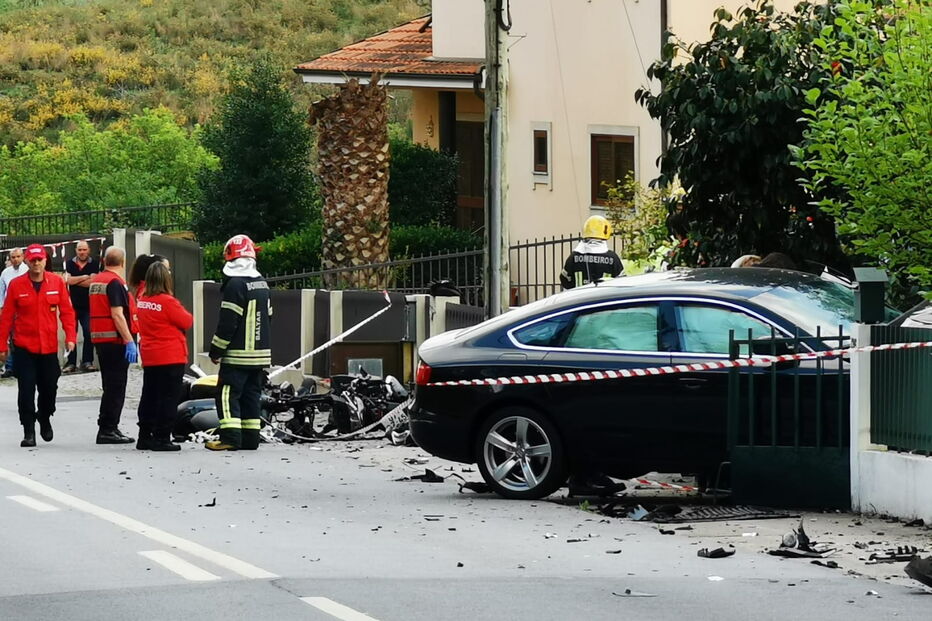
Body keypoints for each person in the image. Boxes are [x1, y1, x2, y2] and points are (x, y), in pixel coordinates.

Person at [0, 244, 76, 447]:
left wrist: (70, 336)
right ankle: (28, 431)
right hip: (24, 346)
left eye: (39, 260)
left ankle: (44, 415)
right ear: (26, 261)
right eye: (32, 260)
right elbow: (6, 317)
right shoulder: (16, 285)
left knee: (49, 388)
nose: (36, 263)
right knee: (26, 390)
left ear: (45, 260)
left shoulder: (56, 282)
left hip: (49, 347)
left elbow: (67, 312)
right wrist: (2, 345)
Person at [206, 234, 271, 451]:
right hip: (260, 355)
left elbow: (228, 323)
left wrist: (216, 350)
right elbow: (269, 316)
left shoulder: (234, 285)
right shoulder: (262, 284)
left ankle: (230, 438)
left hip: (237, 355)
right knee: (252, 395)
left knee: (227, 394)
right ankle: (251, 439)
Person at [136, 260, 192, 451]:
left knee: (149, 395)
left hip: (151, 355)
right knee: (168, 397)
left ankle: (144, 435)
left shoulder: (143, 300)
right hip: (170, 355)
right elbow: (187, 321)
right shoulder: (167, 302)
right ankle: (162, 437)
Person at [89, 246, 138, 445]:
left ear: (103, 260)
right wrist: (129, 341)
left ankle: (108, 426)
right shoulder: (115, 283)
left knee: (109, 385)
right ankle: (108, 428)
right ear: (123, 262)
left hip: (100, 339)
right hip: (115, 341)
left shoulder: (97, 280)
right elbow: (117, 314)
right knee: (116, 387)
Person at [63, 240, 101, 373]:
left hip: (88, 306)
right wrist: (85, 277)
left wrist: (74, 280)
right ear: (76, 251)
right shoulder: (68, 264)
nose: (82, 252)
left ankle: (87, 361)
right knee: (70, 334)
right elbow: (66, 280)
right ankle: (70, 362)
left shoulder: (95, 264)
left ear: (89, 250)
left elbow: (93, 282)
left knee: (89, 332)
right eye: (80, 250)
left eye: (84, 250)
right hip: (70, 306)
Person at [559, 215, 623, 289]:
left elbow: (564, 280)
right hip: (604, 298)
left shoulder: (574, 256)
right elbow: (621, 281)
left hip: (579, 298)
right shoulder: (612, 258)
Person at [0, 248, 28, 379]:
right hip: (9, 309)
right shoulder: (6, 273)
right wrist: (1, 308)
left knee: (21, 338)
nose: (15, 259)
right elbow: (1, 291)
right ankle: (10, 367)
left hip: (24, 310)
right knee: (9, 339)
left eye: (18, 256)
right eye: (13, 257)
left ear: (22, 256)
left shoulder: (28, 271)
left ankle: (21, 366)